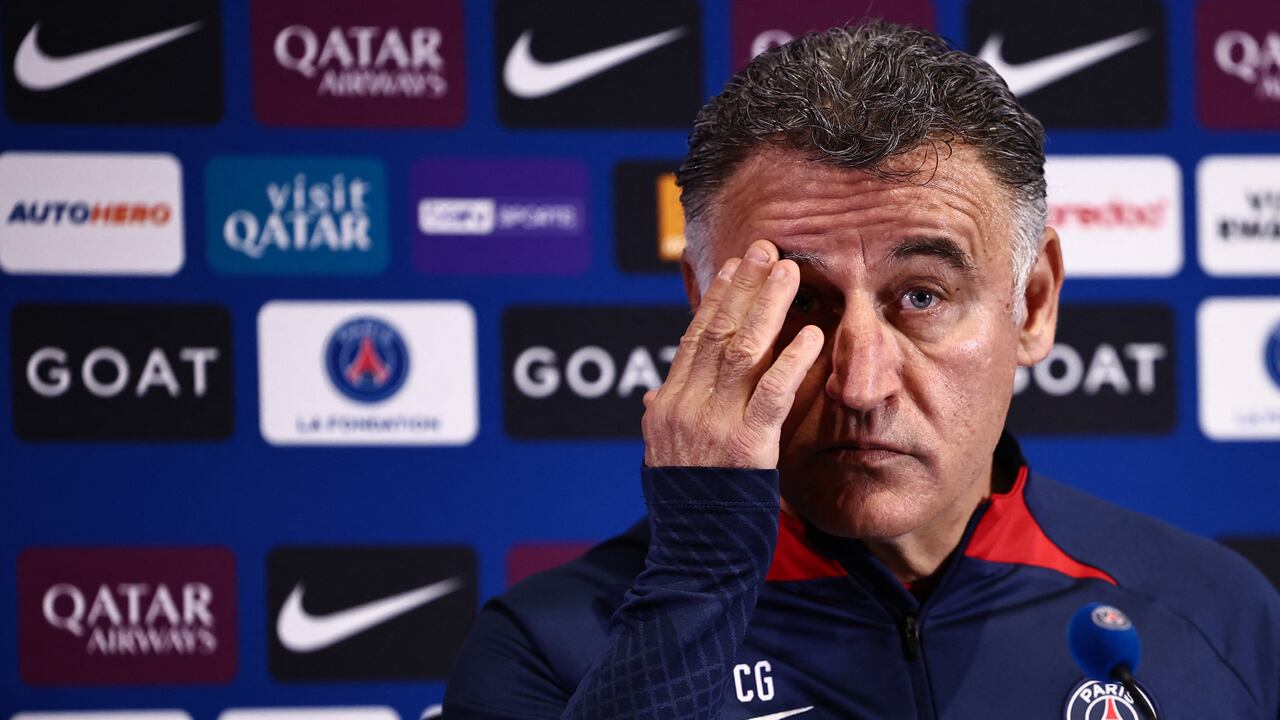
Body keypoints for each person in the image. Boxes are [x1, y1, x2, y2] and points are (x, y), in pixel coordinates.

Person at [444, 20, 1280, 720]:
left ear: (1032, 303)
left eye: (920, 296)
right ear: (708, 306)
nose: (859, 381)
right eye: (799, 301)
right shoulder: (549, 649)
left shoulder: (1218, 615)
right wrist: (697, 590)